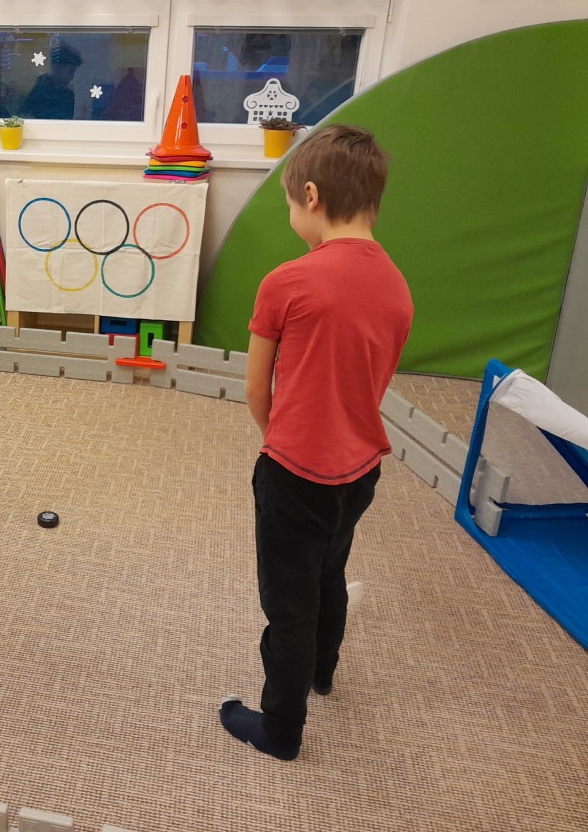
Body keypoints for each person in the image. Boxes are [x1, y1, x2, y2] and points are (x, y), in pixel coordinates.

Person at [220, 124, 413, 759]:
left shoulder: (286, 282)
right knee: (329, 571)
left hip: (295, 471)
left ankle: (280, 730)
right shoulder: (397, 286)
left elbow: (257, 389)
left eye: (288, 202)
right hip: (360, 470)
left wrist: (278, 442)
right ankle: (323, 673)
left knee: (288, 604)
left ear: (311, 195)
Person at [20, 42, 82, 120]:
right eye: (70, 72)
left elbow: (67, 121)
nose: (72, 77)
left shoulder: (68, 94)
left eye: (73, 73)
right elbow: (24, 114)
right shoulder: (41, 89)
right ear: (57, 68)